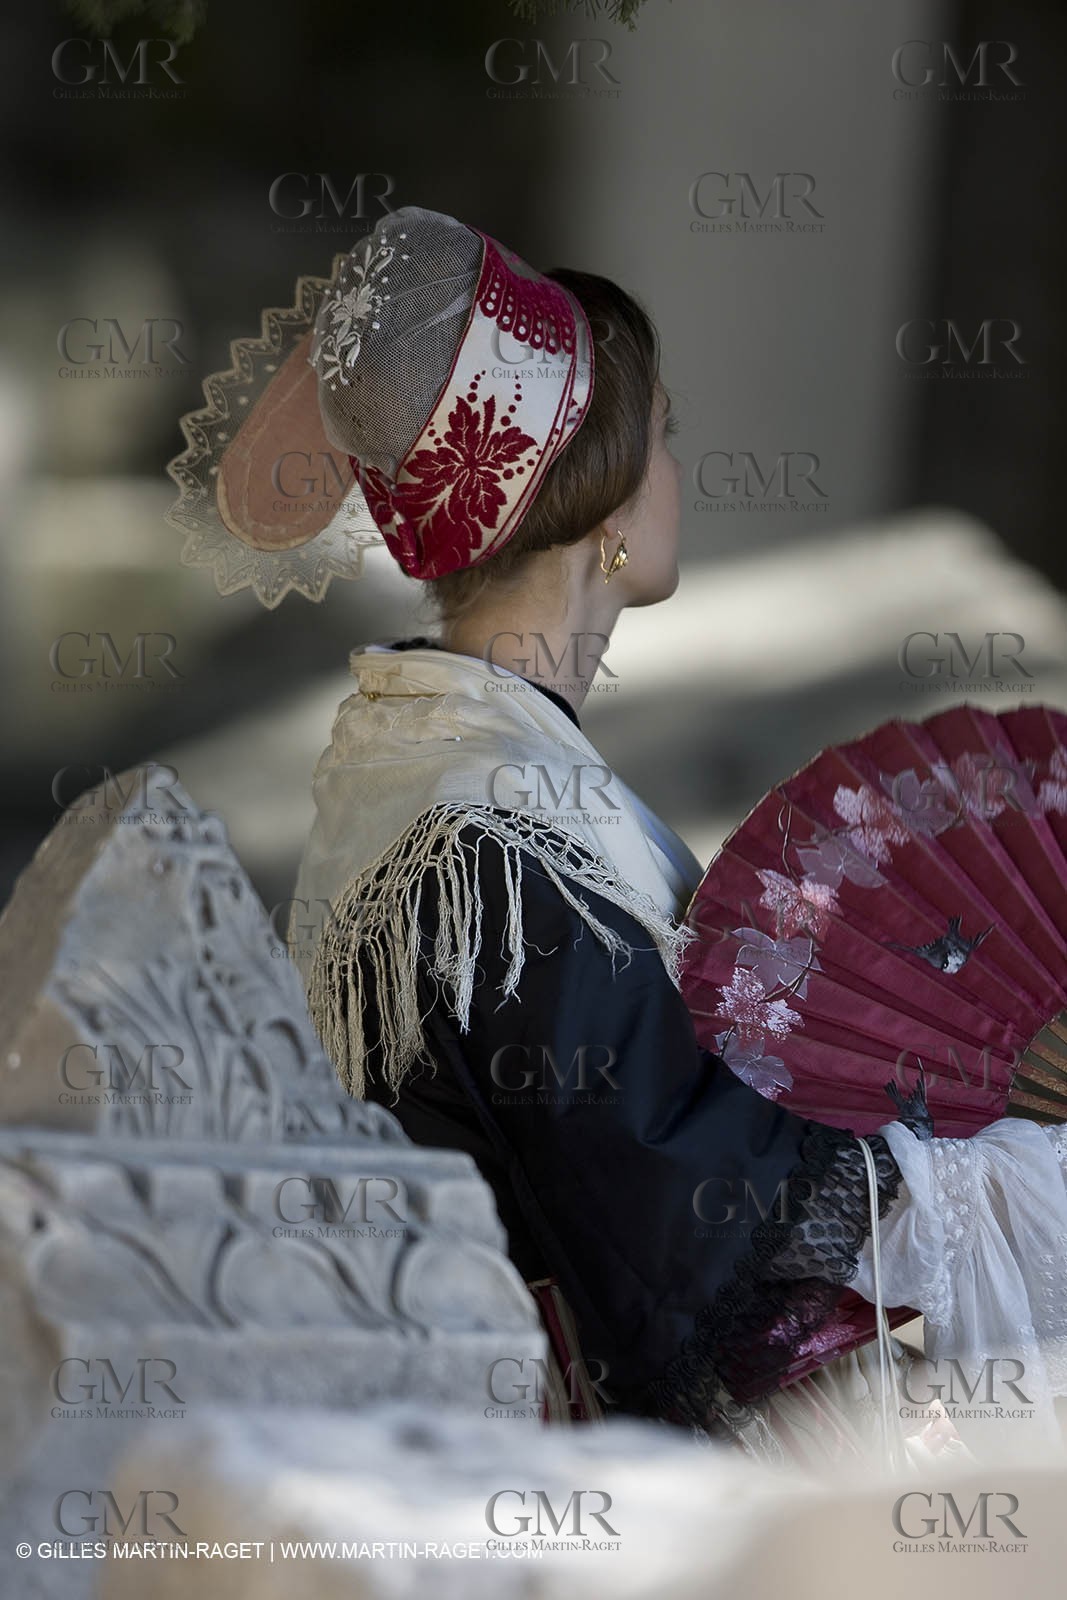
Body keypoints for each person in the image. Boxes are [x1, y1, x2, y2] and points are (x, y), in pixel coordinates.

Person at [173, 205, 1067, 1465]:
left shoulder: (435, 769)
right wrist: (1000, 1142)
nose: (674, 475)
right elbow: (683, 1210)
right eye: (665, 440)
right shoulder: (485, 838)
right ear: (596, 503)